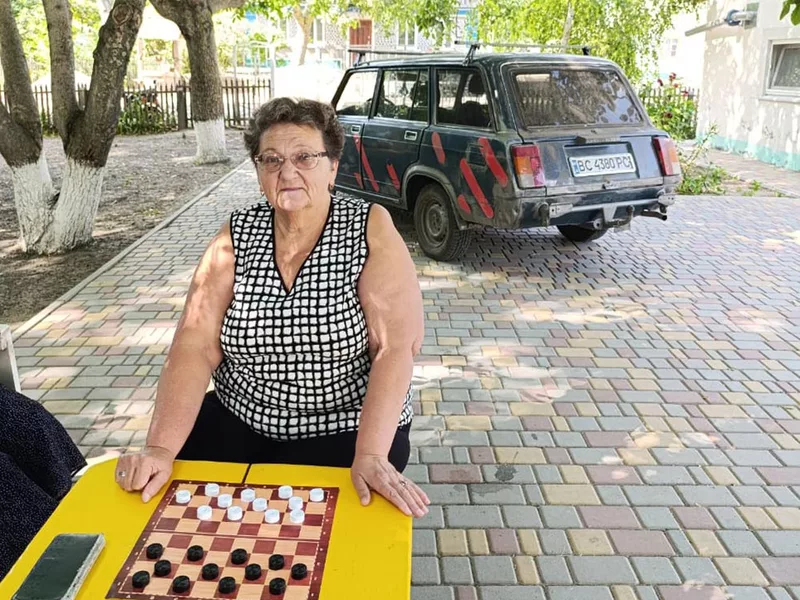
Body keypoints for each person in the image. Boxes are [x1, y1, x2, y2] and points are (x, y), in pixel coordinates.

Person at [115, 98, 429, 518]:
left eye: (305, 157)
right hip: (241, 418)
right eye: (272, 159)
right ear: (258, 169)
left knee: (316, 545)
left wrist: (371, 452)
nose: (287, 171)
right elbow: (194, 345)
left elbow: (395, 348)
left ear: (333, 165)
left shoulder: (370, 227)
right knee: (182, 517)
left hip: (345, 429)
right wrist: (158, 447)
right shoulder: (237, 232)